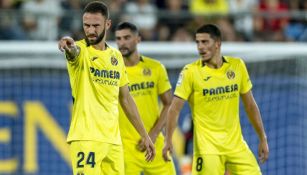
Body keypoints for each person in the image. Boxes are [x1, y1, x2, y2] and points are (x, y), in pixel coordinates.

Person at [57, 2, 155, 175]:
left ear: (107, 25)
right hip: (86, 138)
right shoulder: (81, 51)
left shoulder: (116, 57)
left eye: (96, 25)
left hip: (113, 141)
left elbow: (125, 99)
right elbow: (73, 52)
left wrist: (145, 135)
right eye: (86, 26)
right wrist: (69, 45)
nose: (91, 30)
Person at [163, 24, 269, 175]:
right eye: (197, 42)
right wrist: (168, 140)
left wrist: (262, 138)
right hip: (208, 150)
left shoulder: (237, 66)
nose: (200, 47)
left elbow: (250, 105)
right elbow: (174, 109)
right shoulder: (190, 72)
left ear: (218, 43)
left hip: (236, 146)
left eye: (205, 42)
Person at [115, 21, 176, 175]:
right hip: (125, 148)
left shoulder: (156, 68)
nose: (122, 43)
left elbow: (169, 104)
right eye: (119, 39)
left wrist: (154, 134)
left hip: (154, 143)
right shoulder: (113, 72)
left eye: (127, 37)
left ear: (138, 39)